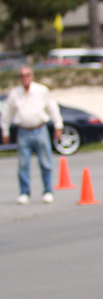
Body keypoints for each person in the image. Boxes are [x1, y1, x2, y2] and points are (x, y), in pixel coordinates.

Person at [1, 67, 63, 204]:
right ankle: (24, 192)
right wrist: (5, 131)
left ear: (32, 76)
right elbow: (7, 113)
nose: (25, 78)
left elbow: (52, 108)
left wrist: (58, 126)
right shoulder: (15, 94)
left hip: (40, 129)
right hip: (23, 131)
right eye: (22, 76)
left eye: (27, 75)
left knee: (45, 162)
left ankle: (47, 190)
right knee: (23, 163)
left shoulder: (41, 91)